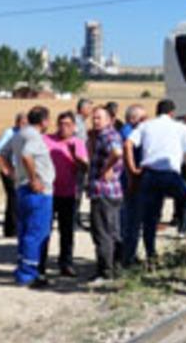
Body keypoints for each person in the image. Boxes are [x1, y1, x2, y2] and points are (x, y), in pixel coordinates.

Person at [124, 99, 186, 269]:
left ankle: (151, 254)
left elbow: (128, 144)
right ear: (172, 113)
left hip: (148, 174)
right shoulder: (180, 127)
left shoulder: (145, 126)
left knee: (151, 216)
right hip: (170, 174)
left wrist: (133, 171)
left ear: (157, 111)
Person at [0, 106, 56, 287]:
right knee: (36, 232)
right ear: (44, 121)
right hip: (37, 191)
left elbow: (0, 153)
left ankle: (23, 267)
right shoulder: (33, 136)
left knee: (25, 231)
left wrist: (10, 172)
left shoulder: (18, 134)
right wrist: (34, 178)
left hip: (22, 188)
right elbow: (26, 155)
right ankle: (29, 273)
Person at [44, 111, 89, 277]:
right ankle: (40, 262)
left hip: (69, 192)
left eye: (68, 124)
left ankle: (66, 263)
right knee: (45, 229)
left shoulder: (78, 143)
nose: (64, 127)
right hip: (48, 192)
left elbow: (84, 168)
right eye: (61, 124)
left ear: (74, 127)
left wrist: (75, 156)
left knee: (67, 231)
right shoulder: (46, 140)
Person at [87, 106, 125, 281]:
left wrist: (107, 167)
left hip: (103, 191)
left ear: (109, 120)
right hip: (113, 191)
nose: (95, 121)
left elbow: (117, 152)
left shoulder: (108, 135)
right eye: (93, 118)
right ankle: (117, 267)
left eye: (99, 118)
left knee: (102, 232)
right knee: (113, 231)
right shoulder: (105, 135)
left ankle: (105, 272)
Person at [119, 104, 147, 266]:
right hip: (129, 180)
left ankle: (130, 253)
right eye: (143, 118)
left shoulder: (130, 131)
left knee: (131, 219)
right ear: (132, 119)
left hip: (130, 179)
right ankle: (127, 256)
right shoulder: (129, 133)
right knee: (129, 220)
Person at [0, 112, 25, 237]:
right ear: (17, 122)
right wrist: (5, 170)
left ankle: (15, 228)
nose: (24, 125)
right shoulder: (10, 133)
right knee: (13, 198)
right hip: (10, 169)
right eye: (22, 123)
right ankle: (11, 230)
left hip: (21, 171)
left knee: (18, 199)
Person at [74, 99, 93, 230]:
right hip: (77, 163)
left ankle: (75, 219)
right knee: (76, 192)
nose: (90, 112)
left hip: (80, 162)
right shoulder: (76, 122)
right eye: (89, 109)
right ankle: (73, 221)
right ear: (82, 109)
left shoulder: (81, 122)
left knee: (78, 192)